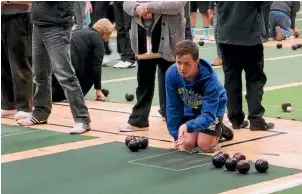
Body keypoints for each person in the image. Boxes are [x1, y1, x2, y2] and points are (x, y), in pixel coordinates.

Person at [17, 2, 91, 134]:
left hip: (57, 25)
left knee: (65, 75)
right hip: (39, 22)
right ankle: (40, 112)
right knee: (39, 74)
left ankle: (82, 118)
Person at [119, 1, 187, 132]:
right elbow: (126, 3)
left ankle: (174, 119)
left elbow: (177, 5)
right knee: (144, 82)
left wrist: (149, 7)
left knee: (172, 82)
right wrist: (137, 8)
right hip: (143, 38)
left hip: (170, 39)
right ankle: (139, 120)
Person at [166, 40, 234, 153]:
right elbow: (173, 108)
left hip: (212, 109)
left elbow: (208, 114)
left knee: (204, 145)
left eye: (187, 63)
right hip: (192, 107)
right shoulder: (171, 74)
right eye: (178, 62)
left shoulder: (209, 79)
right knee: (187, 145)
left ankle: (221, 129)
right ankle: (202, 129)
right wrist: (176, 137)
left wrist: (188, 126)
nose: (182, 68)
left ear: (196, 62)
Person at [217, 2, 274, 130]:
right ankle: (256, 119)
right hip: (250, 36)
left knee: (231, 79)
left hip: (226, 35)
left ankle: (235, 119)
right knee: (255, 78)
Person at [52, 18, 114, 102]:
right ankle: (76, 94)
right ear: (105, 33)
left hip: (57, 58)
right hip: (70, 64)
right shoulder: (98, 39)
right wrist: (98, 89)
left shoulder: (81, 31)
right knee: (59, 94)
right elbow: (96, 66)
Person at [1, 1, 32, 120]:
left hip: (19, 17)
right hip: (2, 17)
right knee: (3, 64)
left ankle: (24, 106)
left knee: (19, 63)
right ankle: (8, 104)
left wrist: (7, 1)